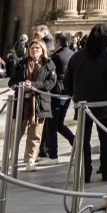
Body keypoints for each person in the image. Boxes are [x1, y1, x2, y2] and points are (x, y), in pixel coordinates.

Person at [64, 23, 107, 182]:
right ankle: (106, 170)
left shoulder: (77, 56)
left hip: (83, 105)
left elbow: (67, 81)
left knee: (83, 140)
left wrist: (74, 93)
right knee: (106, 140)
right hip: (105, 103)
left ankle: (85, 171)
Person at [17, 38, 57, 167]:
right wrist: (22, 84)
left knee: (35, 135)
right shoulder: (22, 64)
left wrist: (33, 85)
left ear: (43, 50)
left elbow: (51, 83)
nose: (34, 50)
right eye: (32, 48)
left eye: (37, 48)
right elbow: (11, 82)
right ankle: (10, 158)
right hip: (22, 103)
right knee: (16, 133)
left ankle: (30, 160)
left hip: (40, 103)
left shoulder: (49, 64)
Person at [41, 32, 76, 160]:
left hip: (56, 93)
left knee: (51, 125)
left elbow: (48, 74)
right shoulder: (74, 54)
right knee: (58, 123)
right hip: (67, 94)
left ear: (57, 42)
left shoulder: (56, 56)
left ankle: (53, 153)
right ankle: (74, 141)